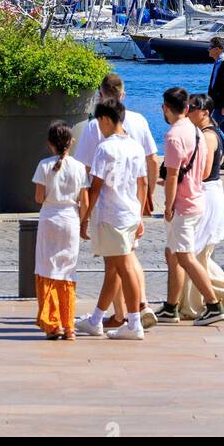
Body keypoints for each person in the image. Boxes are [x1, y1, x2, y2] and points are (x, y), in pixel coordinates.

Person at [76, 73, 159, 329]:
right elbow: (145, 178)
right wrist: (143, 209)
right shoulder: (135, 143)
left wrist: (84, 217)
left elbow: (94, 183)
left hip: (111, 214)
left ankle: (134, 319)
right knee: (116, 266)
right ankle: (100, 318)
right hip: (130, 210)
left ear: (104, 117)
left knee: (121, 266)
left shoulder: (104, 145)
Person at [156, 86, 224, 327]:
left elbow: (174, 175)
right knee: (174, 253)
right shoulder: (196, 132)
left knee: (185, 256)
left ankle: (213, 304)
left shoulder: (174, 136)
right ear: (186, 108)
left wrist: (168, 205)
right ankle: (170, 307)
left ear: (165, 108)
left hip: (184, 204)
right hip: (197, 198)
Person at [178, 94, 224, 320]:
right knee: (198, 254)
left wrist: (180, 177)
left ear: (205, 112)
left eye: (192, 109)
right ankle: (191, 304)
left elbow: (206, 171)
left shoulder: (208, 136)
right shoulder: (208, 133)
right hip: (210, 194)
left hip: (207, 196)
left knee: (194, 253)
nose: (188, 112)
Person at [32, 122, 89, 340]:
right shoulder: (79, 167)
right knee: (67, 272)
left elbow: (39, 197)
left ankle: (52, 323)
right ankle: (69, 327)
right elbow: (84, 200)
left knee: (47, 270)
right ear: (71, 142)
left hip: (49, 218)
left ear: (49, 144)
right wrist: (83, 223)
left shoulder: (43, 165)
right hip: (70, 220)